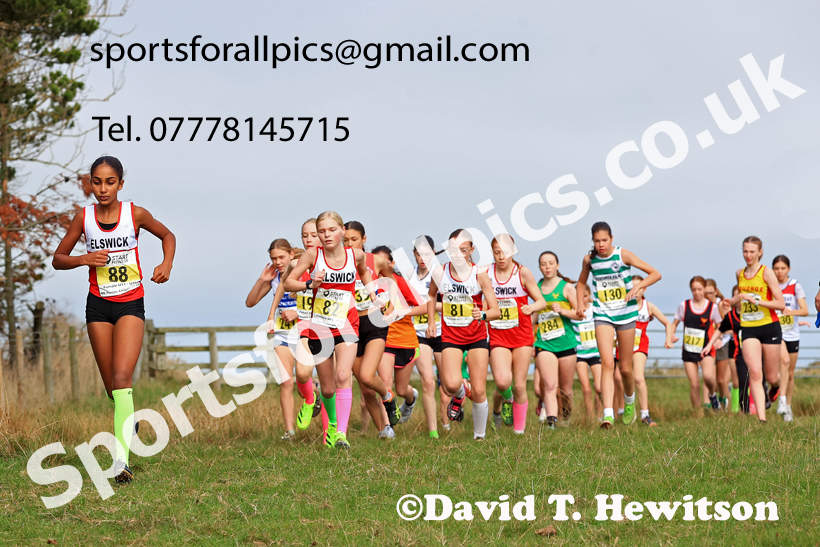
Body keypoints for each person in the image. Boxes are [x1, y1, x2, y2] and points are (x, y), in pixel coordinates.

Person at [52, 156, 176, 484]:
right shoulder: (84, 218)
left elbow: (168, 235)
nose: (103, 188)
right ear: (89, 184)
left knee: (123, 380)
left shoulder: (134, 214)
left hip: (130, 304)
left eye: (110, 182)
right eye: (97, 181)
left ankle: (121, 463)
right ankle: (127, 417)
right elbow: (57, 259)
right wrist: (83, 259)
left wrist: (167, 264)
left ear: (121, 184)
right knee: (112, 388)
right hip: (98, 307)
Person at [284, 211, 379, 449]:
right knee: (327, 388)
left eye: (332, 230)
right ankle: (333, 425)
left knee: (343, 375)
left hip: (347, 323)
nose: (327, 235)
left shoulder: (355, 255)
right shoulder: (312, 255)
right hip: (320, 327)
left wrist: (374, 295)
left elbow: (364, 271)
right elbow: (288, 283)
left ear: (342, 231)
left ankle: (341, 435)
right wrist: (310, 284)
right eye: (322, 231)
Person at [576, 222, 661, 429]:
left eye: (604, 240)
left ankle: (629, 400)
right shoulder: (590, 259)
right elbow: (580, 283)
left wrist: (638, 286)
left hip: (625, 314)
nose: (601, 245)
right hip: (602, 313)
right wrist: (579, 305)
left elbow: (655, 274)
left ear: (612, 239)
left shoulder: (623, 255)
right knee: (607, 363)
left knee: (624, 368)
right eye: (597, 241)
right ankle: (608, 415)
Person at [426, 229, 500, 441]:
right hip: (450, 335)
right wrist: (431, 321)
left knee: (478, 390)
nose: (458, 254)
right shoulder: (440, 271)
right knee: (449, 384)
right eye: (453, 250)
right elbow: (431, 295)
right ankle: (460, 392)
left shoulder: (479, 274)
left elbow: (495, 311)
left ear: (471, 251)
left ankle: (479, 436)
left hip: (476, 336)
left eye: (463, 250)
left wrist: (483, 314)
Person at [484, 235, 546, 434]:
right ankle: (502, 405)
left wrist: (531, 306)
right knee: (503, 382)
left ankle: (518, 432)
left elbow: (541, 301)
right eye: (496, 252)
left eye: (506, 252)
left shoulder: (522, 272)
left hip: (521, 336)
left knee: (519, 385)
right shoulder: (486, 273)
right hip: (498, 336)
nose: (501, 257)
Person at [720, 236, 785, 423]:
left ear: (760, 253)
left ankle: (776, 386)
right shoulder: (739, 273)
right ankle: (762, 420)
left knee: (771, 376)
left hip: (769, 326)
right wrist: (731, 302)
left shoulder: (767, 273)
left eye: (752, 252)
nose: (748, 255)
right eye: (745, 251)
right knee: (755, 372)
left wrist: (756, 301)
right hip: (748, 328)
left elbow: (780, 303)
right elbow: (741, 297)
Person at [343, 222, 398, 439]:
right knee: (365, 389)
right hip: (351, 326)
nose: (349, 244)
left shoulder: (377, 261)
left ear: (364, 240)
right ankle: (384, 431)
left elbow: (392, 282)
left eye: (354, 239)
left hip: (374, 322)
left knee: (367, 376)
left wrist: (390, 304)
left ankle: (387, 395)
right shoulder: (339, 263)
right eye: (345, 240)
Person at [247, 238, 301, 439]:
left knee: (303, 382)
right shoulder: (275, 279)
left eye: (281, 257)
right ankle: (290, 431)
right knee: (286, 382)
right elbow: (250, 302)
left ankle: (316, 393)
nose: (278, 262)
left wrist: (297, 312)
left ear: (291, 255)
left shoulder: (303, 274)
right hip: (282, 334)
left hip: (304, 333)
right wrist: (262, 280)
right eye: (273, 258)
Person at [533, 251, 581, 428]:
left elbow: (579, 314)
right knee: (550, 385)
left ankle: (566, 417)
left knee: (566, 390)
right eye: (544, 264)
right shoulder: (535, 288)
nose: (547, 267)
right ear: (539, 267)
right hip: (544, 343)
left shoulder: (567, 288)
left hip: (566, 343)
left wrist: (562, 311)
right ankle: (551, 423)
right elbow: (533, 317)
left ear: (557, 265)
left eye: (551, 263)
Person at [620, 274, 674, 426]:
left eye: (640, 287)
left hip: (640, 345)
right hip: (622, 345)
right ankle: (623, 411)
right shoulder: (623, 304)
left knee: (638, 377)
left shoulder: (648, 306)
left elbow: (667, 323)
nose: (636, 291)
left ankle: (645, 414)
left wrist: (668, 339)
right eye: (633, 287)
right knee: (620, 379)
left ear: (644, 289)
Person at [403, 236, 445, 436]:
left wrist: (425, 306)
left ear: (434, 253)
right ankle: (433, 432)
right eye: (419, 253)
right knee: (428, 380)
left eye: (427, 254)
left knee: (448, 383)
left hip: (442, 332)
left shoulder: (441, 276)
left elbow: (448, 306)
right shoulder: (409, 275)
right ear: (414, 253)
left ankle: (460, 396)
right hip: (418, 334)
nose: (422, 258)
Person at [670, 276, 724, 411]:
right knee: (694, 384)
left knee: (707, 376)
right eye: (694, 290)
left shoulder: (712, 307)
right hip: (689, 349)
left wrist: (718, 339)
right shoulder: (684, 306)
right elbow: (674, 323)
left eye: (699, 289)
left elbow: (720, 326)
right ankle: (697, 415)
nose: (697, 292)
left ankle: (712, 394)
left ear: (705, 289)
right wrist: (670, 335)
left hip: (706, 348)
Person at [772, 255, 809, 422]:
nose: (779, 271)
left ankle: (787, 407)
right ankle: (781, 399)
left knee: (791, 373)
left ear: (788, 269)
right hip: (776, 332)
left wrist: (790, 312)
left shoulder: (795, 285)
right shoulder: (770, 286)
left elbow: (805, 310)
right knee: (783, 362)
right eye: (776, 268)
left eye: (782, 268)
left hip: (792, 333)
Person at [572, 285, 602, 422]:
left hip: (595, 352)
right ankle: (590, 419)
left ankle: (601, 416)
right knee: (586, 388)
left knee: (600, 387)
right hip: (580, 354)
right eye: (579, 296)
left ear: (589, 295)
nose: (582, 299)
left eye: (585, 296)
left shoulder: (595, 308)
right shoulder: (571, 311)